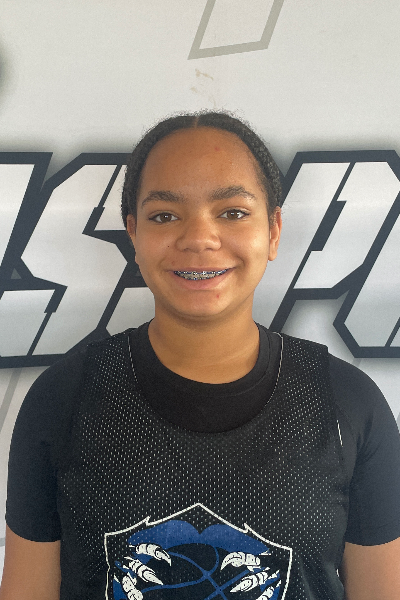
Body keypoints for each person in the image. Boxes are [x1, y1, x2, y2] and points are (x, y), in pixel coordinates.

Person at [1, 111, 400, 600]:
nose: (198, 238)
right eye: (164, 216)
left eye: (232, 212)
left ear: (274, 231)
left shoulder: (348, 404)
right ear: (133, 235)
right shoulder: (62, 399)